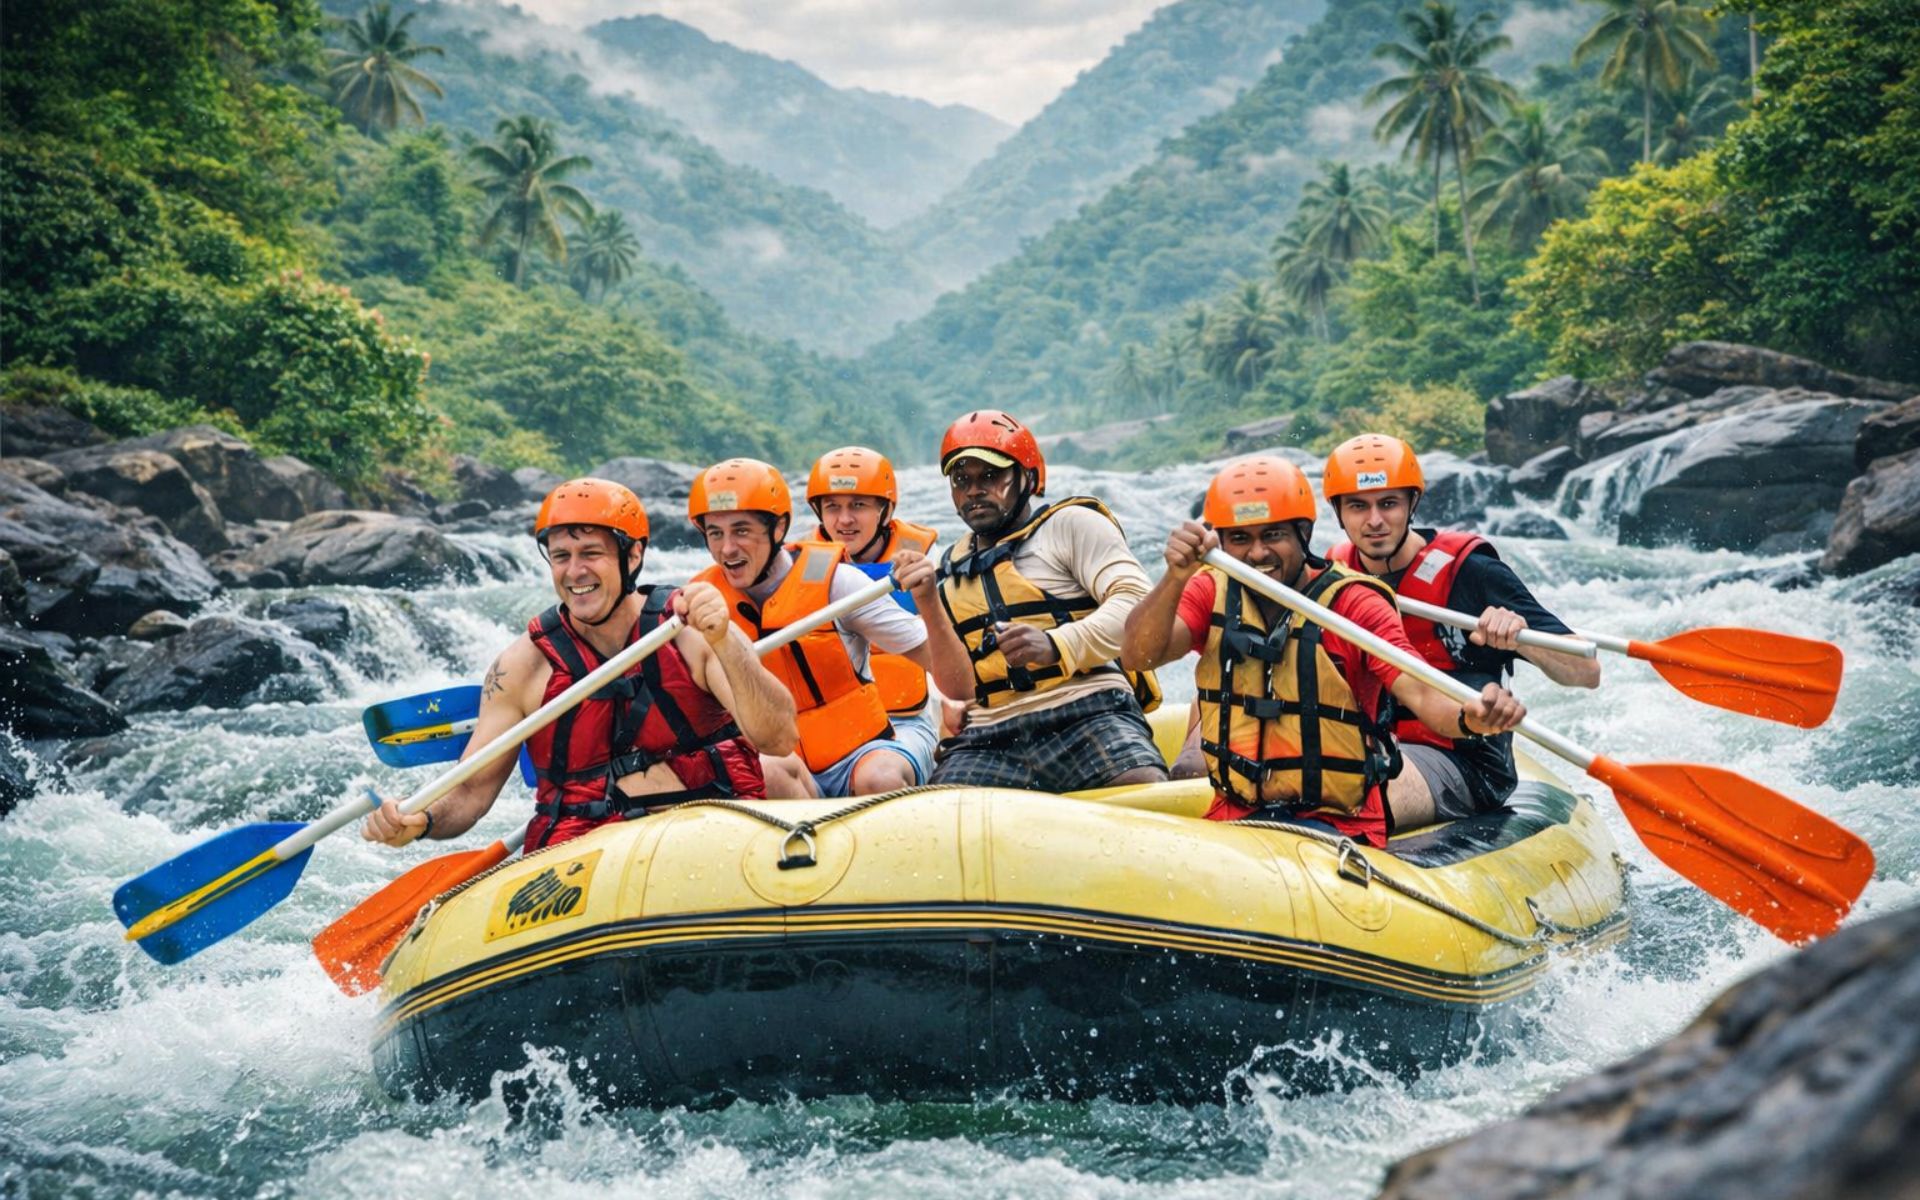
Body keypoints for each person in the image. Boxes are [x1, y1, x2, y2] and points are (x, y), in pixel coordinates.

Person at [362, 478, 798, 853]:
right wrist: (423, 820)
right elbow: (471, 793)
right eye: (561, 556)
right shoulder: (522, 667)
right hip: (587, 858)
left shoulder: (689, 630)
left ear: (632, 556)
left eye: (591, 553)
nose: (575, 572)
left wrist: (725, 641)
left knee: (782, 772)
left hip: (711, 833)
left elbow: (778, 738)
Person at [1120, 456, 1526, 847]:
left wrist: (1471, 717)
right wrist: (1175, 577)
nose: (1257, 554)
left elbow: (1419, 692)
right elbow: (1139, 656)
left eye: (1273, 535)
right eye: (1241, 539)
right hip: (1236, 812)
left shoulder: (1354, 603)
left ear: (1304, 533)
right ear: (1222, 542)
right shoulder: (1209, 589)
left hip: (1336, 821)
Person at [1322, 434, 1600, 827]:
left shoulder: (1472, 571)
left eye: (1388, 503)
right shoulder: (1333, 573)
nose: (1375, 521)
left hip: (1465, 759)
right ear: (1337, 511)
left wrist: (1520, 636)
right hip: (1369, 743)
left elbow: (1587, 672)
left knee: (1348, 790)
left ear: (1412, 503)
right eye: (1357, 506)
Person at [891, 409, 1168, 793]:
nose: (974, 490)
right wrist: (927, 602)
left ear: (1029, 478)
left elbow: (1138, 606)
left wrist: (1055, 643)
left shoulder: (1072, 525)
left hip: (1088, 710)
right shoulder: (947, 567)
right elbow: (959, 690)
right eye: (961, 480)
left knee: (1139, 783)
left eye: (990, 476)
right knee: (940, 811)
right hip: (991, 733)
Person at [689, 457, 937, 798]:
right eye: (715, 533)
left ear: (779, 528)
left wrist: (930, 601)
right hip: (788, 757)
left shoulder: (839, 581)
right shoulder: (700, 601)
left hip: (876, 739)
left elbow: (945, 664)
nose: (727, 548)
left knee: (879, 778)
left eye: (741, 530)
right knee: (766, 771)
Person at [803, 445, 962, 737]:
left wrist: (953, 700)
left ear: (884, 510)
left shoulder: (924, 558)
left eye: (858, 505)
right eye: (833, 507)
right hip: (835, 720)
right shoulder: (803, 566)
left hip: (909, 716)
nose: (844, 520)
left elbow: (949, 637)